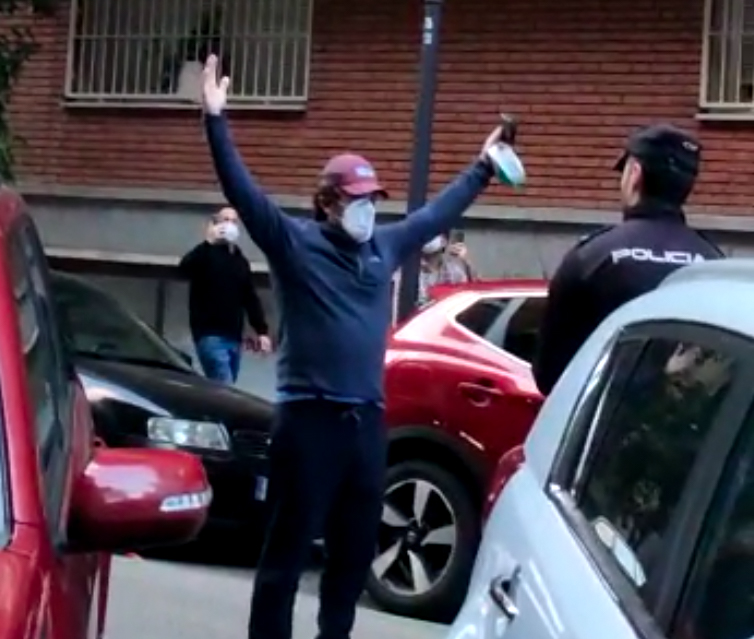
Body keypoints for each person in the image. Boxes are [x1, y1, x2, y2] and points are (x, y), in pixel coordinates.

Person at [199, 54, 515, 639]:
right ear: (327, 202)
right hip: (308, 420)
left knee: (351, 555)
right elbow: (242, 193)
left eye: (373, 199)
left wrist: (483, 166)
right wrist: (215, 120)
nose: (368, 209)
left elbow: (436, 215)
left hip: (367, 423)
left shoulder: (384, 247)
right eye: (357, 199)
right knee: (287, 555)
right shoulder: (295, 243)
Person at [532, 123, 724, 396]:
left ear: (634, 174)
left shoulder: (591, 257)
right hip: (689, 420)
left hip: (606, 418)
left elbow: (549, 376)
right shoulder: (713, 265)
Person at [179, 206, 272, 384]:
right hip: (209, 335)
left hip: (234, 337)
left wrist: (262, 331)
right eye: (225, 220)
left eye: (234, 222)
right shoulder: (205, 254)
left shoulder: (240, 260)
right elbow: (184, 269)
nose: (230, 225)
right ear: (216, 224)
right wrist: (209, 242)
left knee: (224, 390)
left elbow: (249, 297)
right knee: (224, 383)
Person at [417, 231, 476, 306]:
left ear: (444, 241)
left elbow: (469, 291)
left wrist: (465, 261)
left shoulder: (453, 270)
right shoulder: (411, 272)